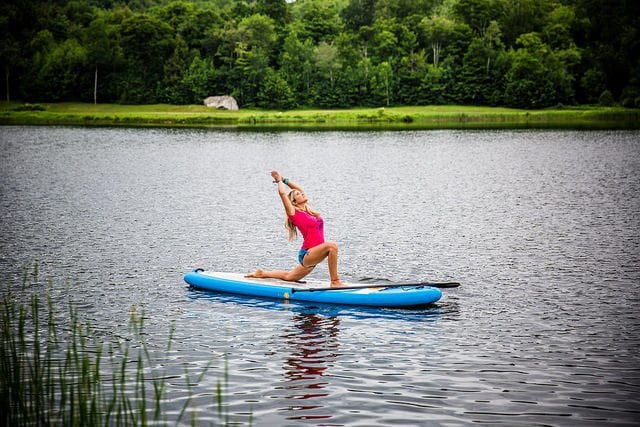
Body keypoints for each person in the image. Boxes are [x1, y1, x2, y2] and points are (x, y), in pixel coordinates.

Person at [247, 171, 343, 287]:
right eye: (298, 195)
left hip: (314, 256)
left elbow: (299, 189)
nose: (302, 194)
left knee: (289, 277)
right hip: (307, 254)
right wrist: (278, 181)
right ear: (294, 201)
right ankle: (335, 281)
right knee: (332, 246)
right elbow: (283, 194)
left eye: (301, 194)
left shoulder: (308, 210)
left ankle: (261, 273)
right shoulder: (294, 212)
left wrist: (284, 180)